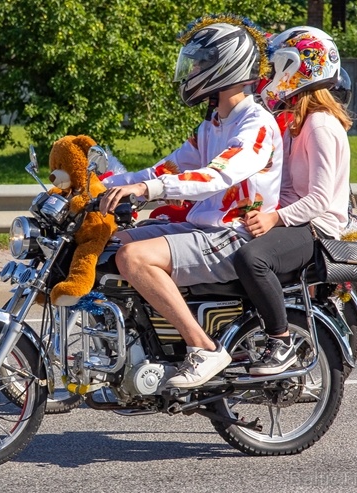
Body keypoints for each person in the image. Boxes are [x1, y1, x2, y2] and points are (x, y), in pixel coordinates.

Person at [99, 16, 283, 388]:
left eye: (199, 64)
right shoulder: (213, 124)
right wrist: (100, 184)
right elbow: (163, 168)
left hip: (233, 234)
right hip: (202, 229)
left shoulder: (257, 124)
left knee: (133, 258)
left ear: (226, 65)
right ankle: (130, 343)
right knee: (108, 244)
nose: (192, 71)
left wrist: (148, 192)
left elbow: (217, 176)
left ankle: (203, 348)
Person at [232, 26, 353, 376]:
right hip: (296, 220)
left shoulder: (320, 125)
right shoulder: (297, 124)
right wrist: (257, 210)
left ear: (298, 68)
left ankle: (280, 340)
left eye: (275, 67)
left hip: (317, 228)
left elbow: (318, 199)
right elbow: (286, 187)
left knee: (251, 259)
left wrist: (273, 219)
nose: (269, 76)